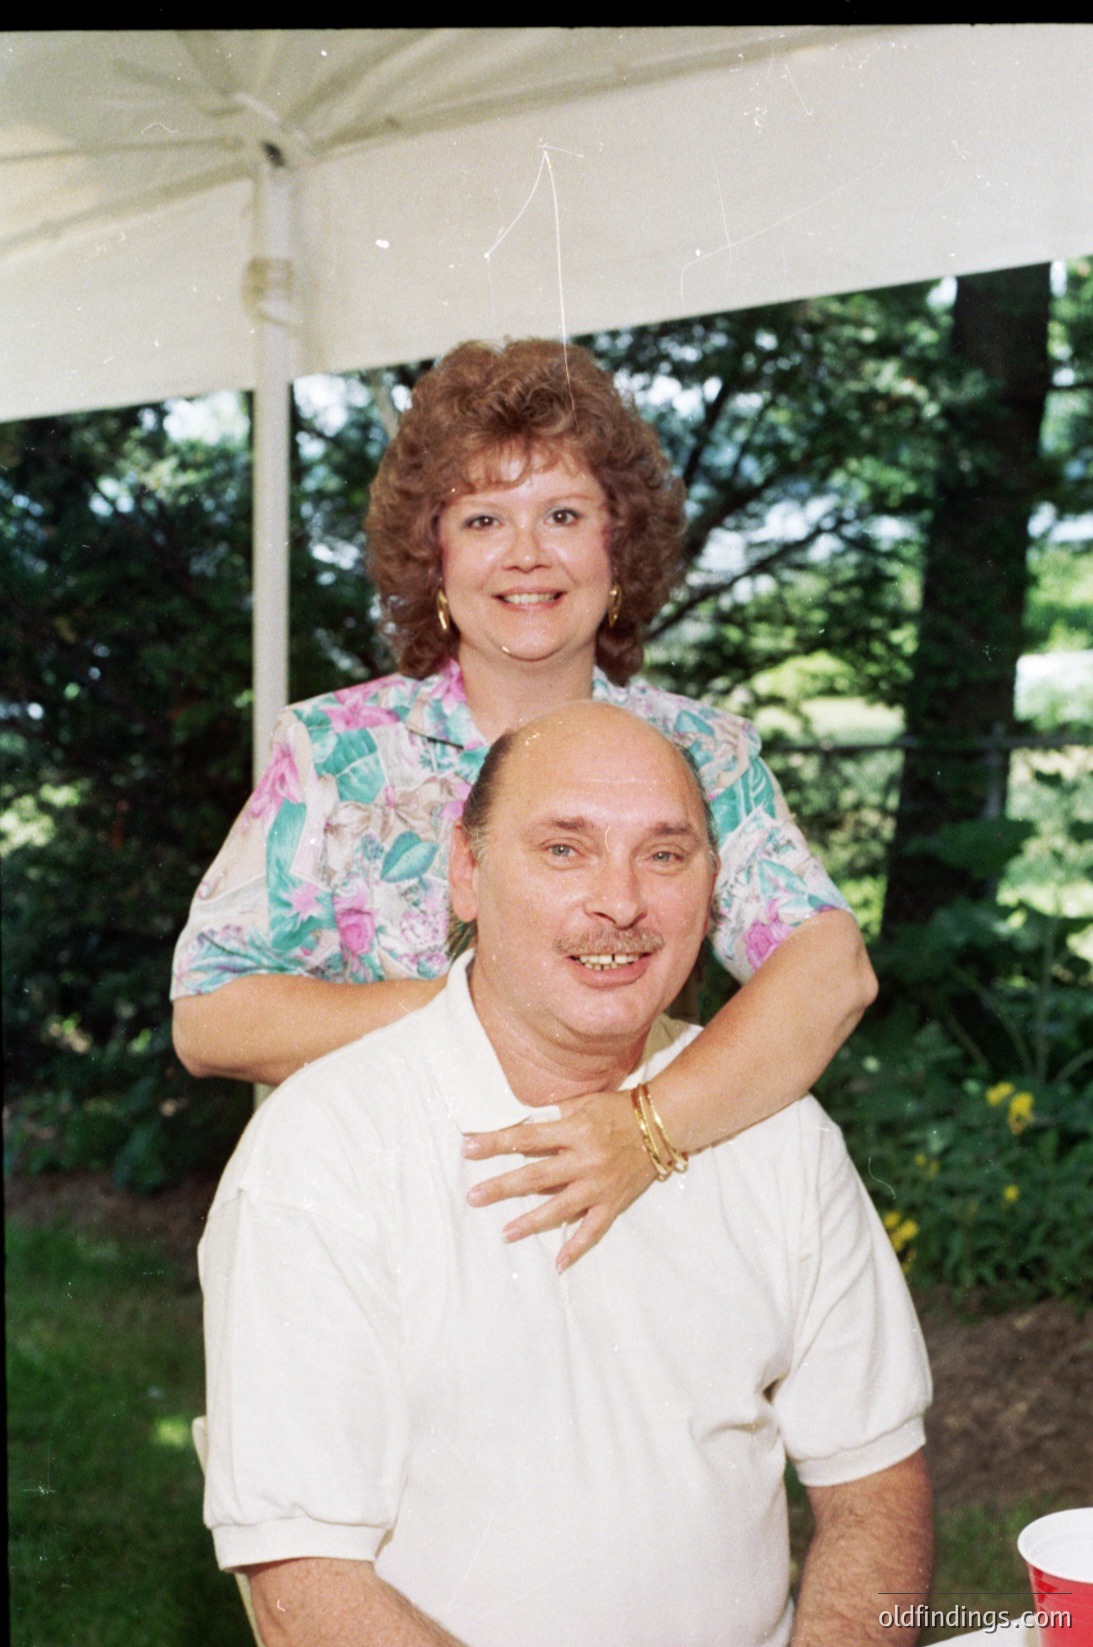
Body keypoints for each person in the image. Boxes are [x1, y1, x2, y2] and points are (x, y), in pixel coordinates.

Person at [199, 702, 933, 1647]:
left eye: (664, 856)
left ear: (711, 889)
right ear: (466, 872)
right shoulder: (324, 1150)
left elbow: (877, 1487)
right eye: (563, 850)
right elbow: (303, 1582)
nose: (620, 903)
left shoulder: (774, 1129)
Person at [173, 338, 878, 1268]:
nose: (526, 556)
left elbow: (831, 972)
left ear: (616, 544)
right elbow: (211, 1012)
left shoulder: (702, 754)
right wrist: (480, 1018)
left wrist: (644, 1130)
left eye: (562, 513)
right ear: (433, 557)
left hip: (628, 1211)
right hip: (378, 1226)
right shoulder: (340, 750)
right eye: (481, 522)